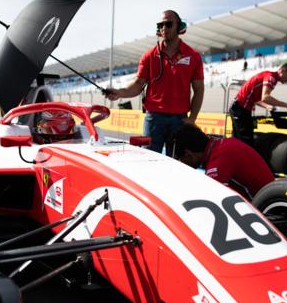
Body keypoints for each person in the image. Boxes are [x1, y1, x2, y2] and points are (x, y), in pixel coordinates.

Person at [104, 10, 204, 154]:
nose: (164, 28)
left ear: (179, 26)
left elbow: (199, 89)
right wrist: (120, 93)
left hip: (180, 120)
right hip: (153, 119)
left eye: (169, 24)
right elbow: (138, 84)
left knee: (175, 164)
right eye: (161, 25)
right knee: (148, 162)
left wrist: (192, 118)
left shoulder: (193, 56)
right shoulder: (149, 55)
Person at [171, 123, 274, 200]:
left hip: (264, 207)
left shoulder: (218, 162)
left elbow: (214, 199)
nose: (182, 164)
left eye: (181, 160)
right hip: (269, 197)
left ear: (187, 154)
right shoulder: (223, 144)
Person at [229, 63, 287, 148]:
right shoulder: (271, 77)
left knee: (237, 140)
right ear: (282, 71)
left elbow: (257, 99)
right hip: (240, 109)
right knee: (246, 142)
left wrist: (266, 106)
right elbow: (266, 97)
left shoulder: (269, 76)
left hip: (239, 109)